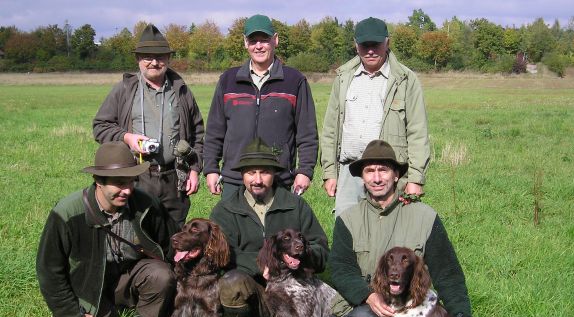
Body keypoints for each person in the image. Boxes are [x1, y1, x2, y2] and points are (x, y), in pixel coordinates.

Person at [309, 140, 474, 317]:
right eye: (370, 171)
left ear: (396, 174)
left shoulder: (424, 216)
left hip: (410, 312)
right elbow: (341, 269)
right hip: (362, 306)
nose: (376, 178)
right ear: (362, 177)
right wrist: (368, 296)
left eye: (383, 170)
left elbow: (448, 273)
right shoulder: (348, 220)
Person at [36, 141, 178, 317]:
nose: (127, 191)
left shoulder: (146, 204)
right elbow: (49, 271)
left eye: (131, 182)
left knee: (161, 274)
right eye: (119, 183)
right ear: (98, 181)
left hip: (129, 279)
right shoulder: (67, 213)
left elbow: (170, 245)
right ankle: (105, 316)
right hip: (88, 287)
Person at [209, 137, 328, 317]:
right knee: (231, 283)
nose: (257, 179)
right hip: (254, 289)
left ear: (274, 174)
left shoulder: (295, 206)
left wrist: (298, 258)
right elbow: (221, 254)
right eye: (250, 173)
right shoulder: (225, 210)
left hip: (293, 293)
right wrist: (262, 264)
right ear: (241, 175)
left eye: (264, 172)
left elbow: (321, 249)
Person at [93, 24, 204, 226]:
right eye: (147, 57)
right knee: (137, 232)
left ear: (168, 59)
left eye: (160, 57)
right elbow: (100, 126)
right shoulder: (125, 90)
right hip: (136, 177)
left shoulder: (182, 91)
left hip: (175, 177)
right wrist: (128, 138)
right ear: (138, 59)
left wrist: (194, 170)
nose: (154, 62)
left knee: (175, 234)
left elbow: (198, 133)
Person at [320, 17, 431, 216]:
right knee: (346, 233)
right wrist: (330, 172)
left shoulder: (405, 79)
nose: (370, 50)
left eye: (376, 44)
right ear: (356, 45)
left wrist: (415, 179)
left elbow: (418, 132)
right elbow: (330, 129)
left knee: (388, 237)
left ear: (387, 42)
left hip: (387, 174)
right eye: (365, 45)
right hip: (349, 172)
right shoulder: (343, 77)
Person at [204, 14, 319, 200]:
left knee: (278, 229)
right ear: (245, 43)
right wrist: (211, 168)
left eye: (264, 40)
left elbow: (307, 132)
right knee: (233, 229)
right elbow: (215, 130)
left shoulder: (294, 81)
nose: (258, 46)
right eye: (253, 41)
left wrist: (304, 171)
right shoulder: (228, 80)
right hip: (235, 178)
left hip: (278, 177)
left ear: (275, 40)